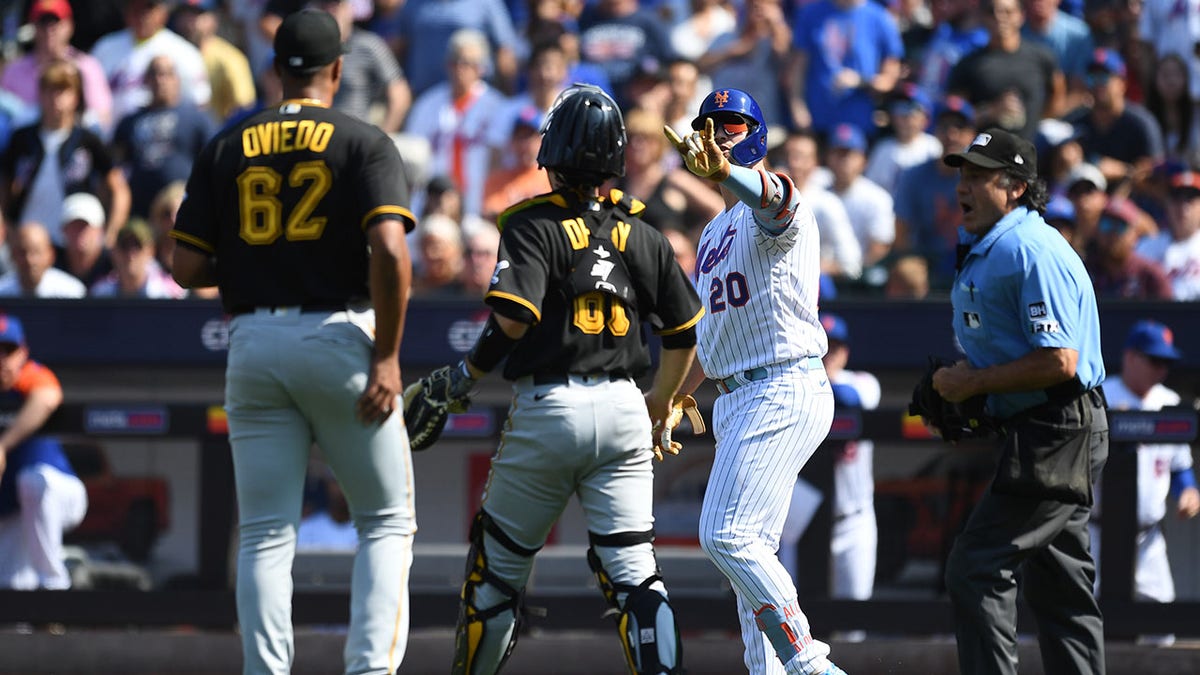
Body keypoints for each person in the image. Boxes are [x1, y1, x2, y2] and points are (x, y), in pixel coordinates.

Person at [168, 10, 419, 675]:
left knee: (264, 532)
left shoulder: (227, 143)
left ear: (275, 70)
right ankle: (368, 668)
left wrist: (256, 264)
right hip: (337, 334)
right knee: (385, 522)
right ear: (337, 70)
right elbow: (392, 253)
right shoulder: (362, 139)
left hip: (251, 339)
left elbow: (185, 266)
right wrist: (389, 355)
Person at [434, 84, 701, 674]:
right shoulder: (646, 233)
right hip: (629, 408)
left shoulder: (531, 224)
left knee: (495, 577)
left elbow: (513, 315)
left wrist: (465, 374)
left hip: (550, 407)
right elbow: (684, 331)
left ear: (551, 152)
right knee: (636, 580)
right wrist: (663, 402)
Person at [667, 87, 846, 675]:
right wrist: (674, 395)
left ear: (757, 135)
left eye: (733, 124)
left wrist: (730, 171)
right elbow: (711, 330)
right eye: (709, 125)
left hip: (782, 382)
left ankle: (810, 665)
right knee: (751, 556)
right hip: (736, 394)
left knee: (726, 534)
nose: (718, 133)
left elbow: (775, 202)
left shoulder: (776, 203)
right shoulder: (713, 233)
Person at [931, 126, 1107, 675]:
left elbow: (1060, 361)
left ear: (1014, 188)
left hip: (1058, 426)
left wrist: (972, 386)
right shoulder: (994, 244)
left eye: (978, 175)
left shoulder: (1030, 248)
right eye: (962, 172)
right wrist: (972, 389)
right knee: (1061, 589)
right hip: (1044, 425)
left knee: (976, 567)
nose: (964, 184)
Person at [1092, 320, 1199, 627]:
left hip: (1148, 538)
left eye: (1166, 362)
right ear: (1130, 358)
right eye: (1154, 360)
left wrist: (1188, 492)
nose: (1161, 369)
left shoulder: (1169, 402)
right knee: (1082, 619)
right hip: (1098, 534)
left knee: (1163, 626)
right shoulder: (1101, 397)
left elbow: (1180, 467)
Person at [780, 314, 879, 631]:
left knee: (852, 626)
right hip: (801, 522)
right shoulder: (793, 386)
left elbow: (851, 400)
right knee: (795, 623)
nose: (830, 353)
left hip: (852, 520)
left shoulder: (863, 381)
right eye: (825, 345)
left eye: (836, 347)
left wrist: (816, 378)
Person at [0, 314, 88, 590]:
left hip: (60, 492)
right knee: (13, 589)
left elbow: (48, 396)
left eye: (8, 351)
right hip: (14, 509)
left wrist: (3, 444)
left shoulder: (29, 375)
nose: (2, 360)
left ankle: (55, 586)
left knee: (33, 482)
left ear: (22, 352)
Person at [0, 0, 114, 133]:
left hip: (73, 143)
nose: (49, 30)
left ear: (69, 26)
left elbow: (102, 119)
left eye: (55, 22)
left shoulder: (86, 66)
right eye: (43, 23)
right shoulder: (14, 70)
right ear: (33, 27)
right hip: (27, 146)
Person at [0, 222, 86, 298]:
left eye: (36, 252)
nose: (29, 260)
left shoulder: (71, 293)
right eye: (22, 252)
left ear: (50, 255)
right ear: (12, 255)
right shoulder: (2, 291)